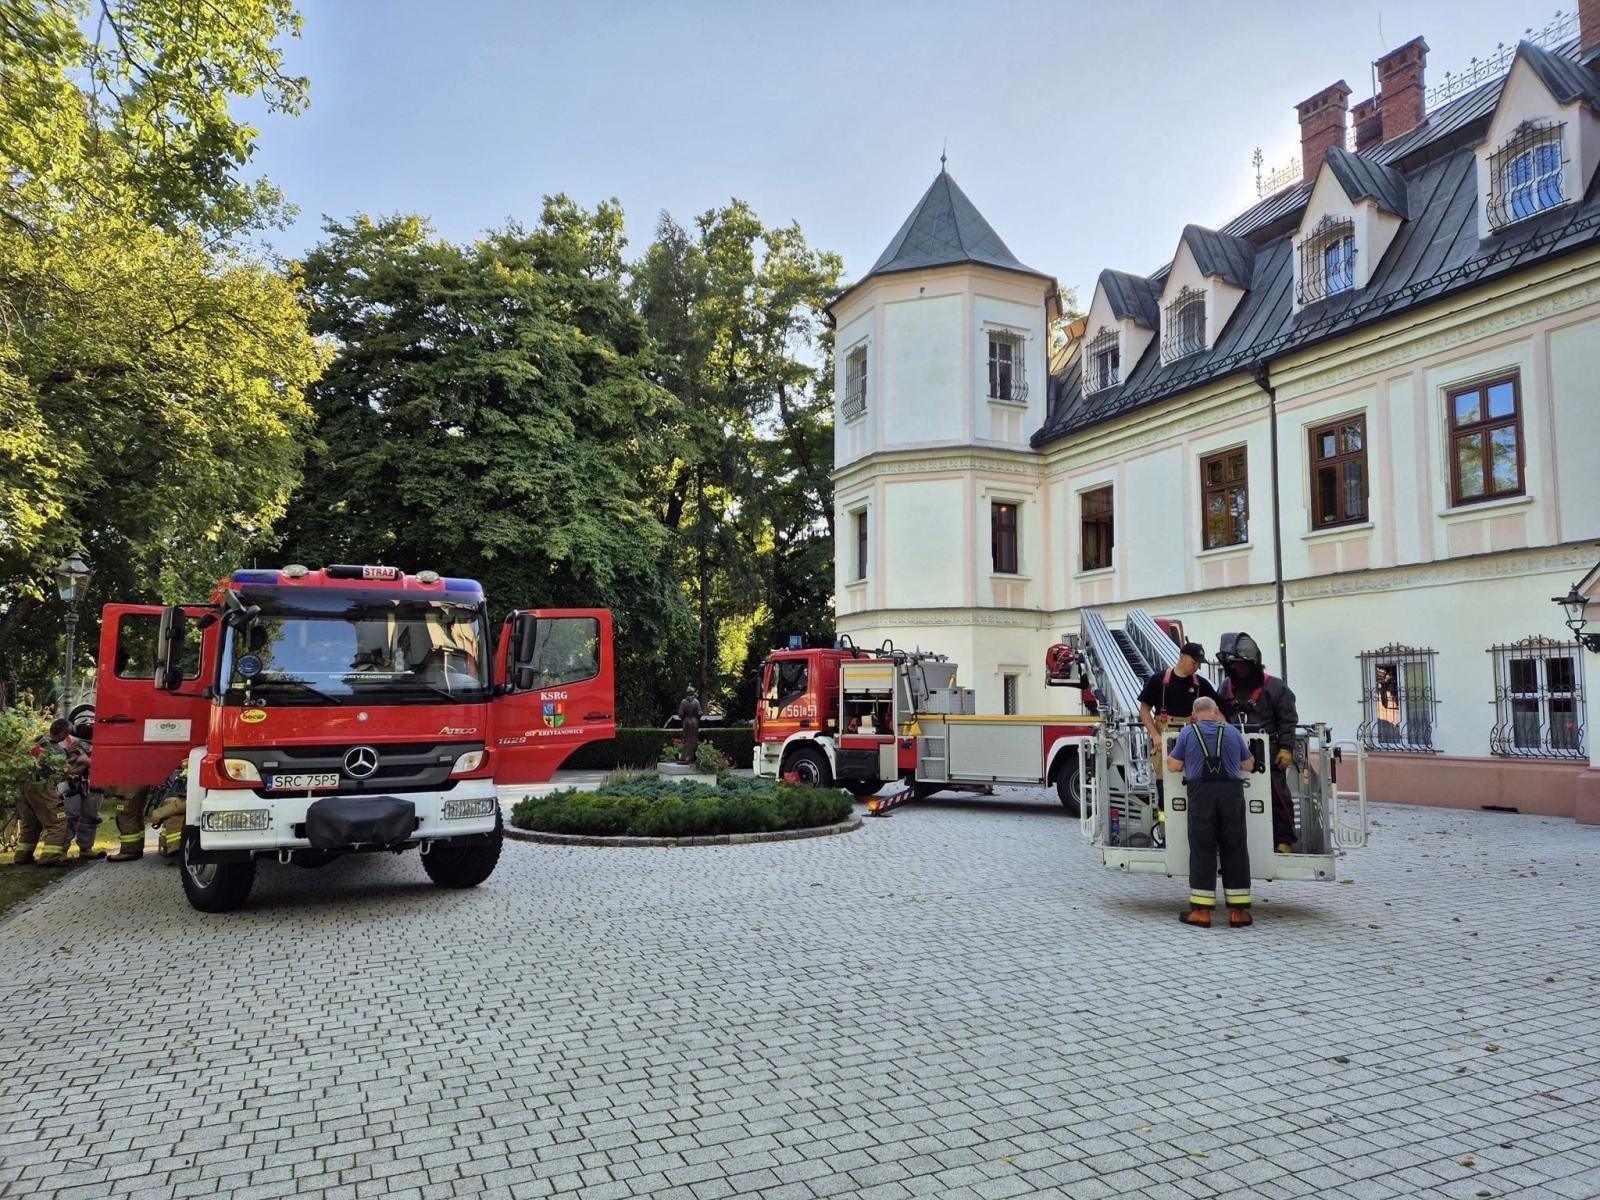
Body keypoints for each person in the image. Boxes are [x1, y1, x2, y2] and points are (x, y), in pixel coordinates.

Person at [1166, 697, 1255, 928]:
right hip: (1231, 794)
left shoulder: (1187, 733)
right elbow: (1249, 765)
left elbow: (1174, 765)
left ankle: (1201, 912)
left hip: (1201, 794)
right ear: (1216, 712)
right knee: (1234, 848)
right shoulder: (1233, 732)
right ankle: (1238, 912)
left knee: (1202, 848)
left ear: (1194, 715)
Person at [1217, 632, 1300, 854]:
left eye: (1243, 665)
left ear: (1254, 664)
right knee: (1233, 795)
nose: (1239, 669)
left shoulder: (1276, 688)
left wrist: (1286, 748)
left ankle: (1284, 840)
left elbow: (1288, 719)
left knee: (1277, 794)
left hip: (1268, 750)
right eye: (1234, 665)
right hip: (1234, 749)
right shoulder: (1225, 688)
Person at [1138, 641, 1219, 748]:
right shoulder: (1158, 680)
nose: (1197, 667)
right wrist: (1155, 735)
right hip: (1164, 742)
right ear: (1182, 657)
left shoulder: (1202, 684)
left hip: (1193, 741)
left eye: (1199, 664)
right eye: (1194, 662)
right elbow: (1144, 710)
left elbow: (1218, 711)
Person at [14, 724, 72, 865]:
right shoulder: (57, 750)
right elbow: (65, 770)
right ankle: (50, 858)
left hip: (26, 786)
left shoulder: (36, 742)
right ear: (63, 733)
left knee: (31, 823)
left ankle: (22, 856)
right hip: (43, 787)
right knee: (58, 821)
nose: (68, 737)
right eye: (67, 733)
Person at [49, 718, 103, 860]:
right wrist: (81, 761)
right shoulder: (64, 742)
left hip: (93, 785)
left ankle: (86, 848)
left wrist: (87, 762)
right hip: (72, 785)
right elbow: (61, 764)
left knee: (91, 817)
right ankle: (61, 850)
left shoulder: (103, 744)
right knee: (70, 816)